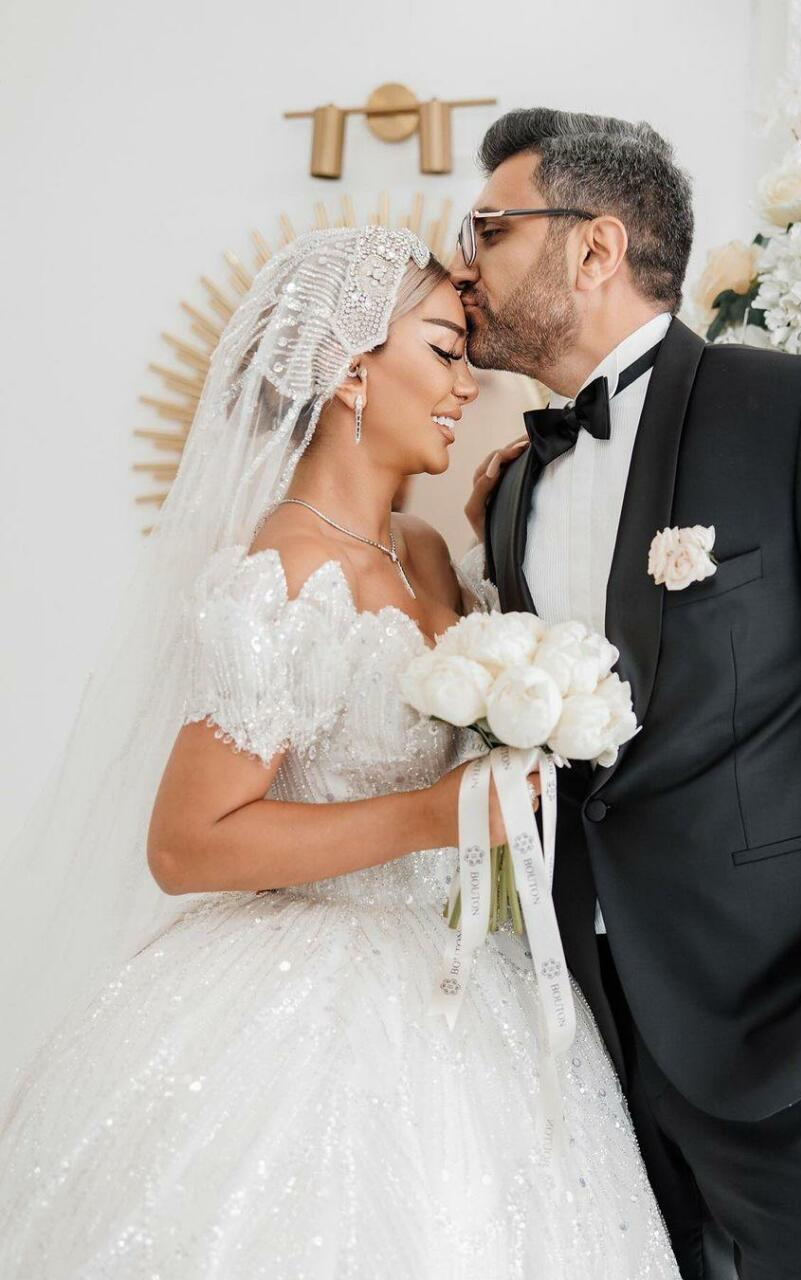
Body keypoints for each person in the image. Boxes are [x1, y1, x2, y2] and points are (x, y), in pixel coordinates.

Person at [0, 225, 682, 1278]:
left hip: (463, 980)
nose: (467, 383)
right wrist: (430, 817)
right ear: (352, 371)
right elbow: (188, 841)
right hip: (303, 995)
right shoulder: (280, 569)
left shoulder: (426, 552)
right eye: (443, 351)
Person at [455, 107, 801, 1280]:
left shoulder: (794, 410)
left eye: (491, 228)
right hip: (592, 1056)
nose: (466, 264)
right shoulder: (512, 490)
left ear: (594, 247)